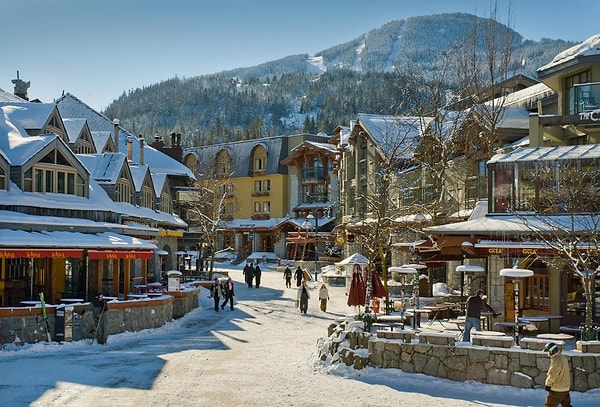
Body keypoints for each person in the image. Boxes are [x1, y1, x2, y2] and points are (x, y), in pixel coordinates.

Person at [543, 342, 572, 407]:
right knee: (566, 405)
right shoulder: (563, 358)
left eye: (548, 352)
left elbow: (553, 375)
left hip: (557, 389)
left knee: (549, 405)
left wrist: (548, 384)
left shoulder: (556, 360)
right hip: (565, 388)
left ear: (551, 351)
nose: (548, 354)